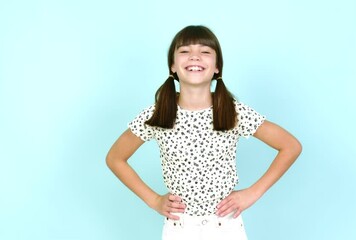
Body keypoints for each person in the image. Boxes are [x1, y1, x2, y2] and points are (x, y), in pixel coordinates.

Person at [106, 25, 302, 240]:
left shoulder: (232, 111)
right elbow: (115, 158)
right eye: (185, 51)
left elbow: (290, 146)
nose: (195, 57)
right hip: (179, 228)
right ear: (173, 66)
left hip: (226, 226)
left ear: (217, 67)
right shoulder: (158, 114)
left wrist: (253, 193)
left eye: (205, 51)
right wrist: (153, 200)